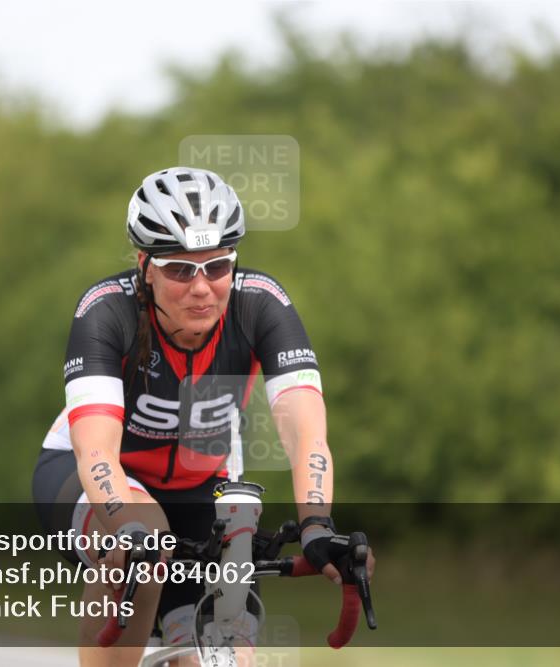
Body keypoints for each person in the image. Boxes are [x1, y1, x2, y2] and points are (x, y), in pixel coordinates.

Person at [32, 167, 373, 667]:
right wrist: (125, 524)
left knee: (222, 653)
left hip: (202, 486)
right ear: (146, 267)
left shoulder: (260, 303)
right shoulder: (107, 311)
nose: (202, 287)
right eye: (180, 270)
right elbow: (96, 449)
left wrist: (317, 523)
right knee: (142, 545)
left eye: (217, 266)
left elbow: (306, 434)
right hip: (90, 477)